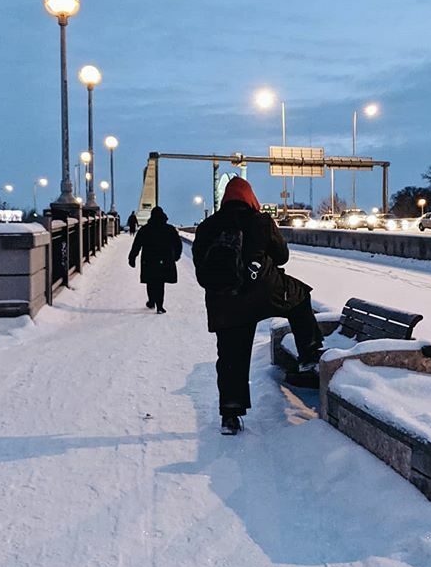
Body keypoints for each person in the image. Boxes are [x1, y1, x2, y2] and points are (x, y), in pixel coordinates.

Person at [192, 177, 323, 435]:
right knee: (300, 298)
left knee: (231, 357)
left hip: (224, 300)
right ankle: (308, 355)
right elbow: (282, 255)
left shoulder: (208, 226)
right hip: (264, 292)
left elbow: (200, 264)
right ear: (249, 197)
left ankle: (230, 414)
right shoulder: (261, 221)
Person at [128, 206, 182, 313]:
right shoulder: (170, 229)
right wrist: (176, 256)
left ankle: (152, 301)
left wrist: (132, 258)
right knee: (160, 283)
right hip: (165, 260)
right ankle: (160, 306)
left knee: (151, 281)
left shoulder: (145, 229)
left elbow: (137, 244)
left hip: (149, 260)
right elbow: (178, 244)